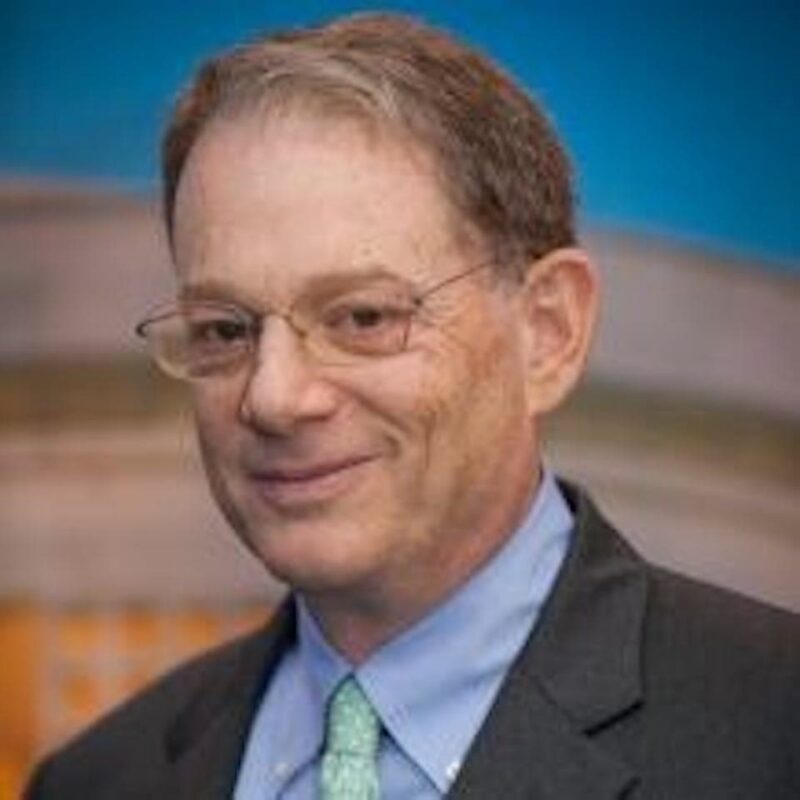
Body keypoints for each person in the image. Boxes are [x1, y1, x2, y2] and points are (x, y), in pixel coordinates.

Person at [26, 12, 799, 799]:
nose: (274, 397)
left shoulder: (775, 729)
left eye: (363, 317)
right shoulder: (95, 780)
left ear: (548, 333)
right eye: (226, 329)